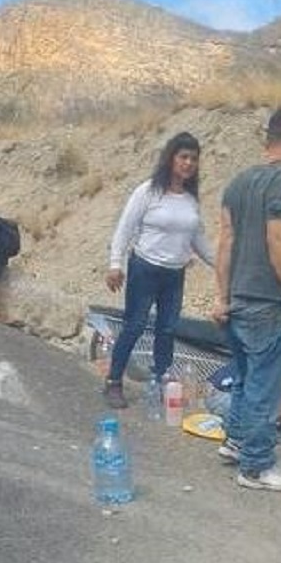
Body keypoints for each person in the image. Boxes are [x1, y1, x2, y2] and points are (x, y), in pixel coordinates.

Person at [213, 106, 281, 492]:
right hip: (269, 302)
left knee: (245, 380)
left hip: (238, 299)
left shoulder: (238, 183)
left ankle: (237, 443)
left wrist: (221, 296)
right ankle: (257, 467)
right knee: (266, 388)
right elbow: (278, 237)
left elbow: (226, 241)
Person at [102, 132, 213, 409]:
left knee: (167, 329)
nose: (188, 163)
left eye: (193, 159)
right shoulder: (148, 191)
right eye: (183, 157)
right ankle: (113, 381)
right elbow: (125, 228)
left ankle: (160, 381)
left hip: (174, 274)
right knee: (135, 325)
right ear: (171, 158)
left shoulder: (190, 200)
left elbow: (198, 239)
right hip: (145, 269)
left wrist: (222, 265)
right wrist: (115, 264)